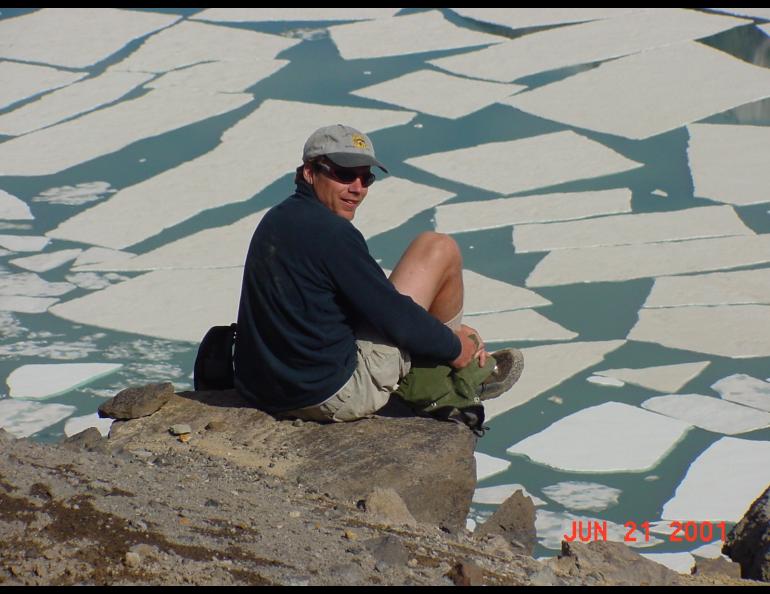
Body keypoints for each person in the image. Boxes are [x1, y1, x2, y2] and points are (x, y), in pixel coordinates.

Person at [233, 124, 521, 422]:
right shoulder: (332, 234)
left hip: (263, 389)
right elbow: (393, 317)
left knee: (413, 310)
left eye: (365, 177)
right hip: (329, 395)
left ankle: (438, 362)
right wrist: (456, 346)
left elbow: (354, 306)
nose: (357, 188)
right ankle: (454, 375)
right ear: (309, 172)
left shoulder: (278, 219)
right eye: (344, 175)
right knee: (439, 248)